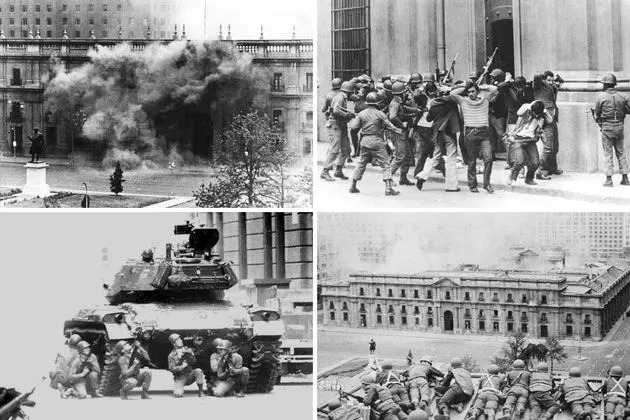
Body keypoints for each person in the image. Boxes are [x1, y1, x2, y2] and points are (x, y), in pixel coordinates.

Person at [348, 92, 402, 196]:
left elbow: (354, 127)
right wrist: (398, 130)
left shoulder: (362, 113)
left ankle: (353, 186)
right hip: (376, 141)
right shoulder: (380, 114)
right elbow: (389, 125)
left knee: (361, 163)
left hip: (364, 141)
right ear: (378, 103)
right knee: (386, 164)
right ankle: (388, 188)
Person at [449, 81, 499, 193]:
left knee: (488, 158)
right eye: (469, 92)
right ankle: (472, 185)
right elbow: (452, 94)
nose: (471, 94)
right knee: (472, 161)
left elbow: (495, 89)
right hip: (470, 133)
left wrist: (480, 86)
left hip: (484, 133)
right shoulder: (463, 101)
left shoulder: (485, 100)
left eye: (473, 91)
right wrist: (464, 87)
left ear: (477, 91)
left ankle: (487, 184)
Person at [415, 82, 461, 192]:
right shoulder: (451, 101)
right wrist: (450, 87)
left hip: (437, 133)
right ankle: (451, 186)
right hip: (449, 131)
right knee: (451, 158)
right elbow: (463, 88)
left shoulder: (434, 103)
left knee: (435, 156)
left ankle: (422, 175)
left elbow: (429, 119)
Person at [594, 73, 630, 187]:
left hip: (607, 127)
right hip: (619, 126)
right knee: (621, 152)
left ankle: (609, 180)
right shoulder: (623, 96)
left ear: (605, 84)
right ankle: (625, 178)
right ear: (614, 84)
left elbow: (597, 113)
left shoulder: (601, 97)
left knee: (608, 154)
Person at [506, 101, 553, 186]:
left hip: (531, 141)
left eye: (538, 114)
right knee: (519, 161)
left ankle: (529, 179)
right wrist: (530, 106)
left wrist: (545, 111)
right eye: (535, 113)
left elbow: (550, 120)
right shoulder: (526, 112)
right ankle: (511, 176)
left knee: (535, 163)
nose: (536, 115)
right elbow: (518, 112)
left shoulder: (541, 117)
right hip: (518, 139)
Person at [321, 81, 355, 181]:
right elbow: (335, 110)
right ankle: (325, 171)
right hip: (335, 125)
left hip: (341, 124)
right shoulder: (340, 97)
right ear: (348, 91)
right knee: (335, 149)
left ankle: (338, 170)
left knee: (346, 149)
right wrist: (347, 115)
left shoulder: (342, 97)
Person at [533, 71, 564, 179]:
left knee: (555, 146)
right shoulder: (539, 86)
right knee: (549, 146)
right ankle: (540, 170)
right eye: (548, 80)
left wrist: (556, 77)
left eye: (551, 80)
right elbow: (536, 77)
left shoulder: (552, 87)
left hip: (552, 118)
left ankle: (552, 168)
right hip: (545, 118)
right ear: (543, 80)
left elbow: (561, 82)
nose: (550, 82)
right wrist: (541, 77)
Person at [389, 81, 420, 186]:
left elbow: (405, 110)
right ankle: (388, 177)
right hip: (398, 132)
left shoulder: (399, 103)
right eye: (404, 92)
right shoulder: (395, 104)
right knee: (400, 156)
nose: (406, 94)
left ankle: (403, 178)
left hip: (402, 132)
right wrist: (402, 124)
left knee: (407, 155)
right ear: (400, 93)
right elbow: (392, 117)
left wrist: (416, 111)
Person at [167, 333, 205, 398]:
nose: (181, 340)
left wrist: (191, 355)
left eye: (180, 339)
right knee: (178, 394)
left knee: (198, 371)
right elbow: (171, 369)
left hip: (190, 375)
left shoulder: (186, 350)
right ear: (174, 343)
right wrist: (182, 366)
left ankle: (201, 391)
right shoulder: (171, 355)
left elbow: (194, 361)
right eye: (178, 340)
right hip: (180, 377)